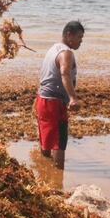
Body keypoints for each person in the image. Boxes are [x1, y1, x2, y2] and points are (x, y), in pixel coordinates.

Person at [35, 21, 84, 187]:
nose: (80, 41)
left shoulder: (53, 48)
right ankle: (57, 183)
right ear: (69, 35)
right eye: (79, 37)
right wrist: (72, 98)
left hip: (42, 99)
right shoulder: (66, 53)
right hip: (54, 102)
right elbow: (64, 73)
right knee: (59, 143)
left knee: (46, 139)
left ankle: (45, 174)